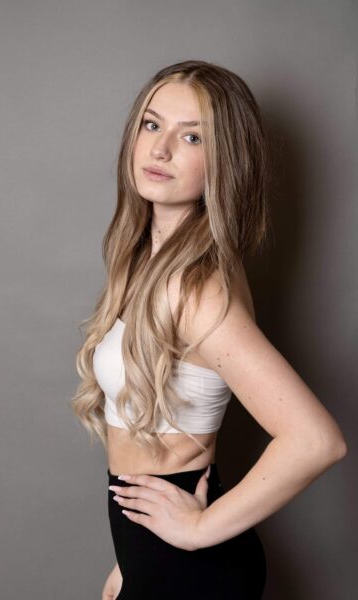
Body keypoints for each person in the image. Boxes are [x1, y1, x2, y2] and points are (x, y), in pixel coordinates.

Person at [71, 60, 348, 599]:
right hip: (154, 552)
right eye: (152, 124)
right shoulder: (147, 261)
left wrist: (196, 530)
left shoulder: (197, 289)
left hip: (190, 567)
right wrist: (131, 558)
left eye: (191, 136)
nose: (160, 149)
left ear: (224, 161)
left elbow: (316, 441)